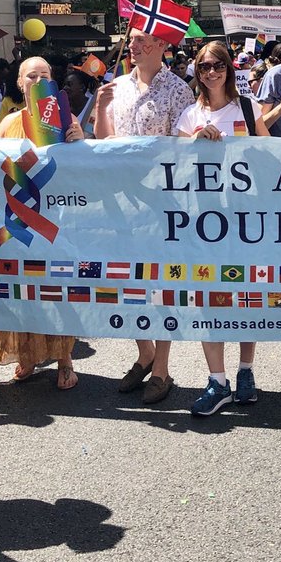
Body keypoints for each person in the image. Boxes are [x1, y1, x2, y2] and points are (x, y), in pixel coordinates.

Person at [93, 28, 194, 404]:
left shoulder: (178, 89)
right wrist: (102, 107)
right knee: (127, 280)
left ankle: (162, 367)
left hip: (159, 201)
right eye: (132, 40)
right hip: (121, 201)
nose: (132, 46)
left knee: (162, 283)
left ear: (162, 45)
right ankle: (144, 353)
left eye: (140, 39)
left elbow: (183, 150)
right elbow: (103, 142)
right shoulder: (117, 86)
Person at [0, 57, 83, 390]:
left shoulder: (67, 119)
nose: (37, 79)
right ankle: (28, 356)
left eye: (44, 74)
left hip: (54, 220)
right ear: (20, 83)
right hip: (19, 218)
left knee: (56, 289)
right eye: (31, 75)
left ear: (52, 79)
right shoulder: (9, 122)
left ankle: (65, 361)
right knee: (21, 289)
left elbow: (82, 170)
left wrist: (80, 139)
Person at [172, 40, 268, 415]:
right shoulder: (188, 115)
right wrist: (196, 143)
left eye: (218, 65)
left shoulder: (248, 107)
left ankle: (246, 371)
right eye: (204, 66)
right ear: (196, 72)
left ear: (229, 69)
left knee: (245, 297)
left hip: (245, 219)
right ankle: (217, 380)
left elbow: (270, 156)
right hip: (203, 221)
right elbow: (174, 167)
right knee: (208, 299)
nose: (211, 72)